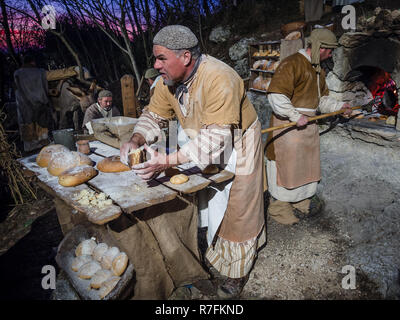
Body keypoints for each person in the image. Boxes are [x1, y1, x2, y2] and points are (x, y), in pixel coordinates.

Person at [120, 25, 266, 298]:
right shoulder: (166, 82)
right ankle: (208, 246)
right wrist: (137, 138)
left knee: (239, 207)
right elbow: (155, 115)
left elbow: (218, 138)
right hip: (202, 140)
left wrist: (165, 162)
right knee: (206, 198)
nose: (155, 64)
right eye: (156, 58)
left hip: (238, 141)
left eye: (161, 58)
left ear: (186, 57)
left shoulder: (221, 78)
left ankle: (236, 272)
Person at [265, 28, 352, 225]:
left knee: (305, 166)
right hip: (287, 127)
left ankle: (299, 201)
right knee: (287, 167)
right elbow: (276, 96)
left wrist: (339, 106)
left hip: (307, 126)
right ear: (320, 47)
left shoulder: (318, 69)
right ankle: (279, 207)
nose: (330, 55)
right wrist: (295, 115)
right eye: (329, 50)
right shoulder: (292, 63)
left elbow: (322, 100)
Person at [14, 53, 54, 152]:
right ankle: (42, 145)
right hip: (40, 103)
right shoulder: (40, 72)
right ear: (33, 62)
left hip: (24, 105)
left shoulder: (17, 73)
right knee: (41, 126)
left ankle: (30, 148)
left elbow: (17, 90)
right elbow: (44, 87)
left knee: (27, 125)